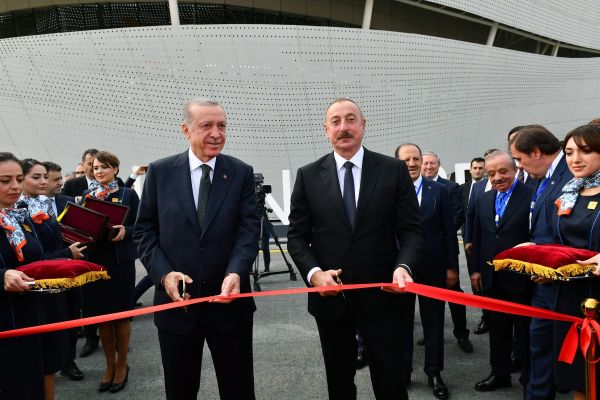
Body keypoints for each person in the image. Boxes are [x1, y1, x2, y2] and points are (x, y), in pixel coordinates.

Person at [287, 98, 423, 400]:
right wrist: (314, 274)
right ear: (326, 130)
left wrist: (404, 267)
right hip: (330, 298)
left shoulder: (393, 170)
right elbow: (296, 236)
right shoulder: (308, 175)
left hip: (384, 296)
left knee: (391, 384)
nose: (343, 127)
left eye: (351, 119)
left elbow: (411, 230)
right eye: (335, 122)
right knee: (339, 384)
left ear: (363, 125)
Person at [134, 98, 259, 400]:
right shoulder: (160, 172)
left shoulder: (240, 172)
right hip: (177, 306)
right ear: (186, 130)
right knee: (180, 390)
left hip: (229, 305)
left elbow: (248, 230)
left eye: (222, 126)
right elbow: (144, 231)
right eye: (207, 126)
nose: (216, 133)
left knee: (239, 390)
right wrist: (164, 275)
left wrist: (236, 272)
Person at [510, 124, 573, 400]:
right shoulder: (541, 178)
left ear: (536, 153)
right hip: (543, 283)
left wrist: (556, 268)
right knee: (541, 345)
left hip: (565, 282)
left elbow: (574, 232)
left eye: (519, 159)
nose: (518, 166)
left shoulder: (572, 176)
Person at [18, 159, 86, 400]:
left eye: (45, 177)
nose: (44, 182)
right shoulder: (19, 212)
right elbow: (32, 258)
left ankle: (67, 362)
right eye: (36, 177)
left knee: (61, 338)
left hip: (61, 280)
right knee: (41, 359)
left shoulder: (40, 206)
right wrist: (66, 253)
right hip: (38, 290)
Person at [396, 143, 458, 399]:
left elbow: (448, 231)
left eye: (416, 158)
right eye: (406, 160)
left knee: (434, 323)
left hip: (433, 267)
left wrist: (452, 266)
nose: (412, 163)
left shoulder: (439, 191)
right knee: (402, 324)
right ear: (398, 163)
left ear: (422, 161)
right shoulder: (390, 191)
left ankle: (434, 372)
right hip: (401, 269)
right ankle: (404, 371)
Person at [470, 151, 534, 392]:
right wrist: (475, 270)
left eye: (503, 171)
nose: (497, 178)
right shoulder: (484, 199)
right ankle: (500, 374)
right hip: (491, 278)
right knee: (497, 331)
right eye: (491, 173)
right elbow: (478, 237)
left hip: (522, 278)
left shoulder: (532, 195)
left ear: (516, 170)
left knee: (525, 333)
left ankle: (530, 380)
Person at [79, 151, 138, 394]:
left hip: (120, 262)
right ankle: (109, 365)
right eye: (95, 168)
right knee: (102, 316)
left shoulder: (127, 194)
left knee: (121, 316)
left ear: (115, 169)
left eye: (104, 167)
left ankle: (122, 364)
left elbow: (142, 225)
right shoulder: (86, 195)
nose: (99, 171)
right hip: (95, 262)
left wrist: (127, 231)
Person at [551, 124, 600, 399]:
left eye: (586, 151)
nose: (575, 159)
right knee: (578, 378)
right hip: (570, 299)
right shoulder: (568, 193)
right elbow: (560, 244)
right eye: (569, 152)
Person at [0, 152, 45, 399]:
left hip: (29, 314)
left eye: (18, 179)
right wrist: (2, 276)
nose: (15, 186)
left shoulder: (17, 215)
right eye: (5, 180)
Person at [421, 150, 472, 353]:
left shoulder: (450, 187)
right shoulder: (411, 188)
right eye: (425, 163)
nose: (428, 166)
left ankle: (461, 334)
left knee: (453, 292)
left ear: (438, 165)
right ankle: (430, 333)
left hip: (446, 249)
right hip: (424, 253)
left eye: (432, 163)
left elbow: (458, 214)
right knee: (427, 296)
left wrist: (438, 233)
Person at [42, 161, 85, 382]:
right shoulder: (25, 207)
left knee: (71, 317)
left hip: (71, 271)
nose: (60, 183)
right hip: (43, 274)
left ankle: (69, 361)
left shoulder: (68, 202)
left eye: (61, 178)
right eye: (55, 179)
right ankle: (48, 363)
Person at [62, 148, 102, 357]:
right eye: (90, 164)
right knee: (86, 297)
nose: (94, 168)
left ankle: (112, 336)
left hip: (107, 248)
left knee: (106, 296)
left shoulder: (114, 184)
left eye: (98, 164)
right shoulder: (73, 185)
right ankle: (90, 337)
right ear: (83, 164)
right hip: (80, 246)